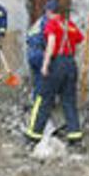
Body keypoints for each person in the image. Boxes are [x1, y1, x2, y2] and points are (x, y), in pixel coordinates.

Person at [25, 8, 85, 146]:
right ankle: (75, 137)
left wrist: (45, 65)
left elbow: (51, 44)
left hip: (56, 63)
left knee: (43, 99)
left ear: (50, 12)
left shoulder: (52, 24)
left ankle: (33, 136)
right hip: (71, 64)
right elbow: (80, 40)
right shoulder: (70, 25)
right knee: (69, 102)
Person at [26, 0, 58, 101]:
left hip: (31, 53)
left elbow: (28, 38)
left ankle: (36, 101)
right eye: (54, 12)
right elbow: (49, 42)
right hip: (39, 53)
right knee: (44, 78)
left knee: (37, 78)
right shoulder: (47, 22)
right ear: (49, 11)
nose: (55, 15)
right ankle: (43, 103)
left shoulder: (39, 20)